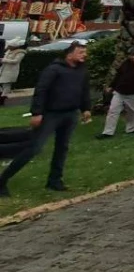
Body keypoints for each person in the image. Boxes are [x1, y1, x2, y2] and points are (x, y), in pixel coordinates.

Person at [0, 41, 92, 195]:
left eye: (85, 52)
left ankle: (54, 180)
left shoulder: (82, 71)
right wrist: (37, 113)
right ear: (70, 54)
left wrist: (86, 109)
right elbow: (41, 90)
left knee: (62, 148)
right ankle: (2, 180)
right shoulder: (54, 69)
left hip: (70, 114)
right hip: (51, 114)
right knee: (34, 148)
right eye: (80, 52)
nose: (84, 56)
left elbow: (84, 90)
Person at [98, 46, 134, 138]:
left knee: (133, 112)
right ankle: (107, 132)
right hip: (120, 92)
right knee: (113, 110)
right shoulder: (126, 63)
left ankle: (131, 129)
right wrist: (112, 86)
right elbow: (118, 75)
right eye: (131, 55)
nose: (133, 57)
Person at [1, 38, 26, 106]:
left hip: (11, 71)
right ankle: (2, 95)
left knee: (7, 85)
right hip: (4, 69)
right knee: (2, 84)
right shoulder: (9, 51)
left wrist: (4, 60)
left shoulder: (20, 52)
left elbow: (16, 61)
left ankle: (2, 99)